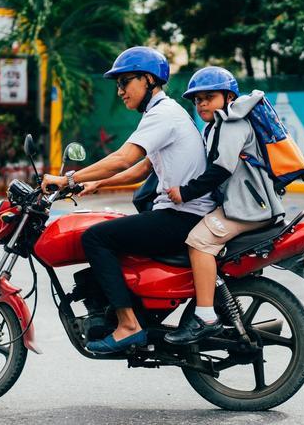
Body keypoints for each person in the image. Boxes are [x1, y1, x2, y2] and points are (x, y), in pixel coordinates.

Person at [41, 46, 216, 354]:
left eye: (124, 82)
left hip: (183, 217)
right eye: (117, 84)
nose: (120, 91)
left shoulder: (163, 114)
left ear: (148, 80)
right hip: (181, 213)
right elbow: (143, 167)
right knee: (111, 231)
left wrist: (68, 179)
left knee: (96, 237)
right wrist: (96, 184)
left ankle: (128, 325)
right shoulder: (164, 112)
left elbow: (124, 158)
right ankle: (121, 311)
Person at [163, 67, 286, 345]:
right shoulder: (217, 124)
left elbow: (221, 169)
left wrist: (186, 192)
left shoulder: (232, 123)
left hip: (250, 208)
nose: (202, 103)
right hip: (243, 204)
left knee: (199, 242)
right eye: (197, 99)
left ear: (229, 97)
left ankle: (205, 316)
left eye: (209, 96)